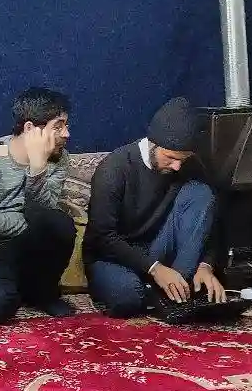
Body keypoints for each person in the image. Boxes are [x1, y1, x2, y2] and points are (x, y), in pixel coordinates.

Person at [83, 96, 226, 317]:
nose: (177, 166)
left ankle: (179, 288)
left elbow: (206, 221)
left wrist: (206, 265)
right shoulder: (114, 168)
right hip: (113, 257)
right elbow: (103, 237)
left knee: (201, 192)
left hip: (159, 249)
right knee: (129, 298)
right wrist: (154, 269)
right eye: (170, 157)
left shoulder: (188, 166)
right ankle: (166, 290)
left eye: (183, 160)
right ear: (152, 143)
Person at [0, 87, 77, 322]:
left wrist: (37, 168)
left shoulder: (59, 157)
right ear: (30, 128)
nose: (66, 134)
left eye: (66, 125)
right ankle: (15, 289)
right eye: (58, 126)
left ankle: (43, 293)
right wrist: (28, 220)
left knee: (60, 223)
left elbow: (46, 212)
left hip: (35, 245)